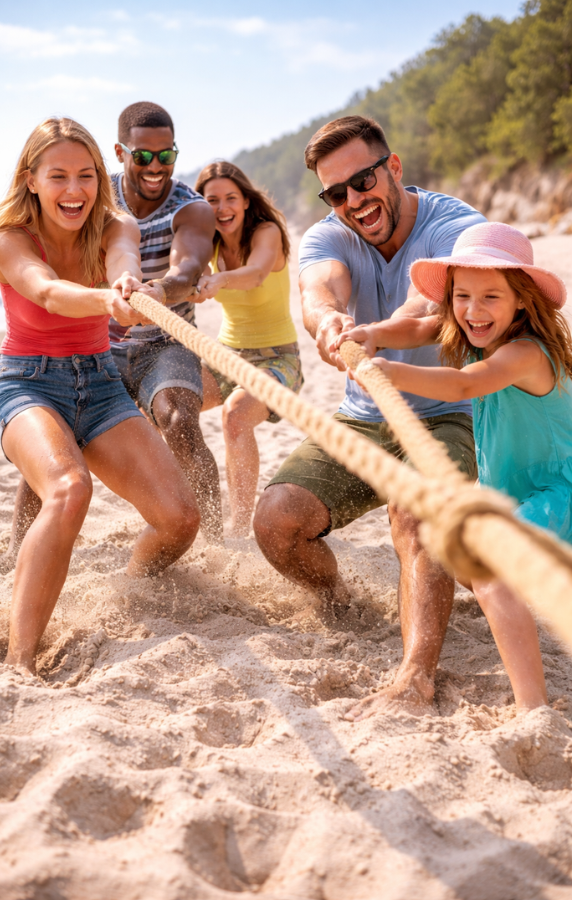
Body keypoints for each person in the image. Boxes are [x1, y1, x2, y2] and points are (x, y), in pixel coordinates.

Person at [253, 115, 485, 720]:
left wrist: (373, 333)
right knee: (276, 522)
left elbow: (428, 307)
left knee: (416, 517)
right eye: (337, 193)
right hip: (363, 415)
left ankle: (415, 678)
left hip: (450, 412)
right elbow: (318, 290)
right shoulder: (328, 235)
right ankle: (340, 599)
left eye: (364, 181)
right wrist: (328, 321)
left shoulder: (456, 226)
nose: (355, 201)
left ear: (395, 169)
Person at [0, 117, 200, 674]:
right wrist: (105, 300)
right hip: (28, 383)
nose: (74, 190)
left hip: (100, 384)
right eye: (58, 177)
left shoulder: (115, 225)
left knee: (179, 519)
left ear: (101, 177)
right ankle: (19, 659)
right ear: (31, 180)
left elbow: (122, 262)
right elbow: (48, 292)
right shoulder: (9, 238)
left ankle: (127, 588)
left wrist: (126, 286)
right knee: (69, 489)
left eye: (86, 175)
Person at [337, 221, 572, 712]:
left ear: (523, 300)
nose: (472, 310)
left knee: (488, 573)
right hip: (513, 490)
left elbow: (465, 386)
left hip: (557, 491)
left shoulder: (525, 352)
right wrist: (372, 333)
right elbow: (423, 326)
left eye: (490, 296)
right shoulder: (474, 329)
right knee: (472, 562)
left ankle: (534, 712)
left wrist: (393, 372)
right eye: (462, 295)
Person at [8, 101, 222, 551]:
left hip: (165, 337)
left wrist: (158, 291)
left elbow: (186, 270)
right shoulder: (91, 201)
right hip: (99, 339)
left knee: (179, 417)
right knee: (60, 436)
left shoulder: (193, 208)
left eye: (167, 155)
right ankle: (16, 546)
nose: (156, 166)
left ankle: (216, 541)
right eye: (143, 155)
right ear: (120, 153)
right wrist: (111, 298)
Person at [194, 162, 303, 537]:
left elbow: (256, 273)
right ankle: (193, 512)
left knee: (235, 417)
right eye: (212, 200)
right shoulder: (207, 243)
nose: (222, 208)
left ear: (244, 201)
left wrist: (217, 279)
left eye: (230, 199)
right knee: (169, 406)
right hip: (225, 355)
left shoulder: (267, 233)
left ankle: (240, 529)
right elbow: (176, 270)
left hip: (277, 357)